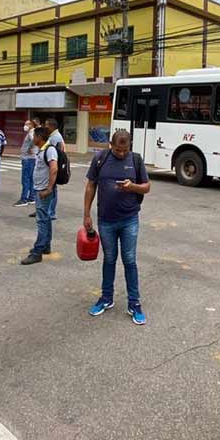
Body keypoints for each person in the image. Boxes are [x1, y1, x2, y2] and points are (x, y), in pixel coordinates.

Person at [83, 130, 151, 325]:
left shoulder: (136, 160)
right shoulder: (100, 159)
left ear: (130, 146)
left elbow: (147, 187)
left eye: (125, 150)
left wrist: (133, 187)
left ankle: (134, 303)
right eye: (118, 150)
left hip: (129, 219)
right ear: (110, 145)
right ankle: (106, 298)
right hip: (106, 220)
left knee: (130, 261)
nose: (122, 153)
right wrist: (86, 214)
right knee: (109, 259)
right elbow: (91, 186)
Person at [21, 127, 57, 265]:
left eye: (34, 135)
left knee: (41, 220)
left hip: (43, 191)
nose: (32, 138)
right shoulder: (42, 150)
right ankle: (45, 246)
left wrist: (48, 189)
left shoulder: (50, 150)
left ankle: (37, 252)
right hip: (40, 189)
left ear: (40, 137)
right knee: (45, 218)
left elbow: (54, 169)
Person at [14, 119, 37, 207]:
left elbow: (33, 140)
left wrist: (29, 148)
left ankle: (24, 199)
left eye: (26, 124)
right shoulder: (33, 132)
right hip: (32, 158)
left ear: (31, 125)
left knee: (25, 179)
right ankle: (32, 197)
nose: (25, 126)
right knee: (31, 179)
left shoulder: (31, 132)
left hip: (28, 158)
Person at [46, 118, 65, 220]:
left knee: (52, 190)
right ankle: (50, 211)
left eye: (46, 125)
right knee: (53, 190)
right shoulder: (55, 136)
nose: (45, 127)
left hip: (54, 166)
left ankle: (51, 212)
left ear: (52, 126)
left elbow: (54, 154)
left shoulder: (55, 137)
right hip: (56, 165)